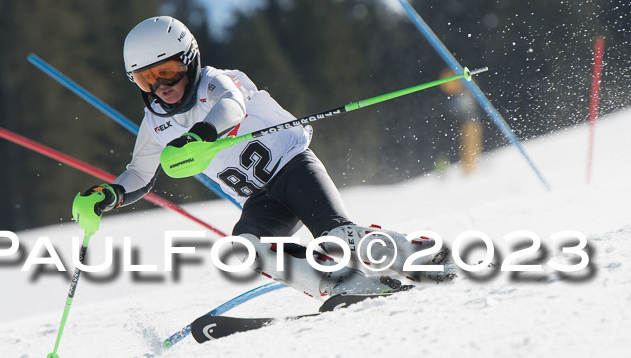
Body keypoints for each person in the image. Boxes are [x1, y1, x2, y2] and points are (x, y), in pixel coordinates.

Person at [73, 16, 453, 306]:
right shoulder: (155, 124)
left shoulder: (214, 82)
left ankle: (421, 254)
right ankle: (341, 284)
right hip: (259, 197)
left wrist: (199, 137)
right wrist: (108, 195)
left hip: (293, 167)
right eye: (146, 79)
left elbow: (231, 107)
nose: (161, 87)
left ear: (189, 60)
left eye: (167, 72)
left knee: (337, 235)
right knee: (246, 249)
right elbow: (140, 172)